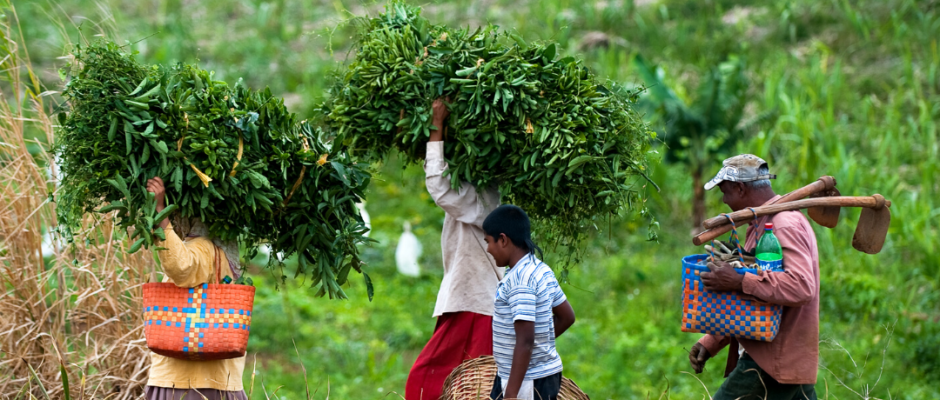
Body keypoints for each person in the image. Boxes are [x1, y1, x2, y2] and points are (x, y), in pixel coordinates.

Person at [688, 155, 819, 400]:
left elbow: (801, 286)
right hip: (782, 360)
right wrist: (712, 341)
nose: (724, 200)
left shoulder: (783, 224)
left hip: (770, 362)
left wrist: (739, 280)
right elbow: (754, 302)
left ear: (740, 188)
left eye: (725, 192)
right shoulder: (761, 224)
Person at [404, 99, 504, 400]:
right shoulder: (494, 192)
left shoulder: (488, 198)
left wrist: (436, 127)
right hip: (475, 301)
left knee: (427, 383)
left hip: (476, 303)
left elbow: (440, 186)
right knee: (462, 388)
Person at [143, 177, 248, 400]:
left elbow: (180, 266)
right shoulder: (222, 254)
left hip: (188, 384)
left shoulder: (203, 247)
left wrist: (160, 212)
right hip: (220, 379)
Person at [483, 205, 576, 400]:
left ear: (503, 239)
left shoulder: (520, 281)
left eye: (489, 242)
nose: (488, 249)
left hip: (526, 381)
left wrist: (511, 394)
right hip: (534, 376)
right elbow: (567, 317)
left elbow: (525, 341)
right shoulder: (540, 269)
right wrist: (541, 345)